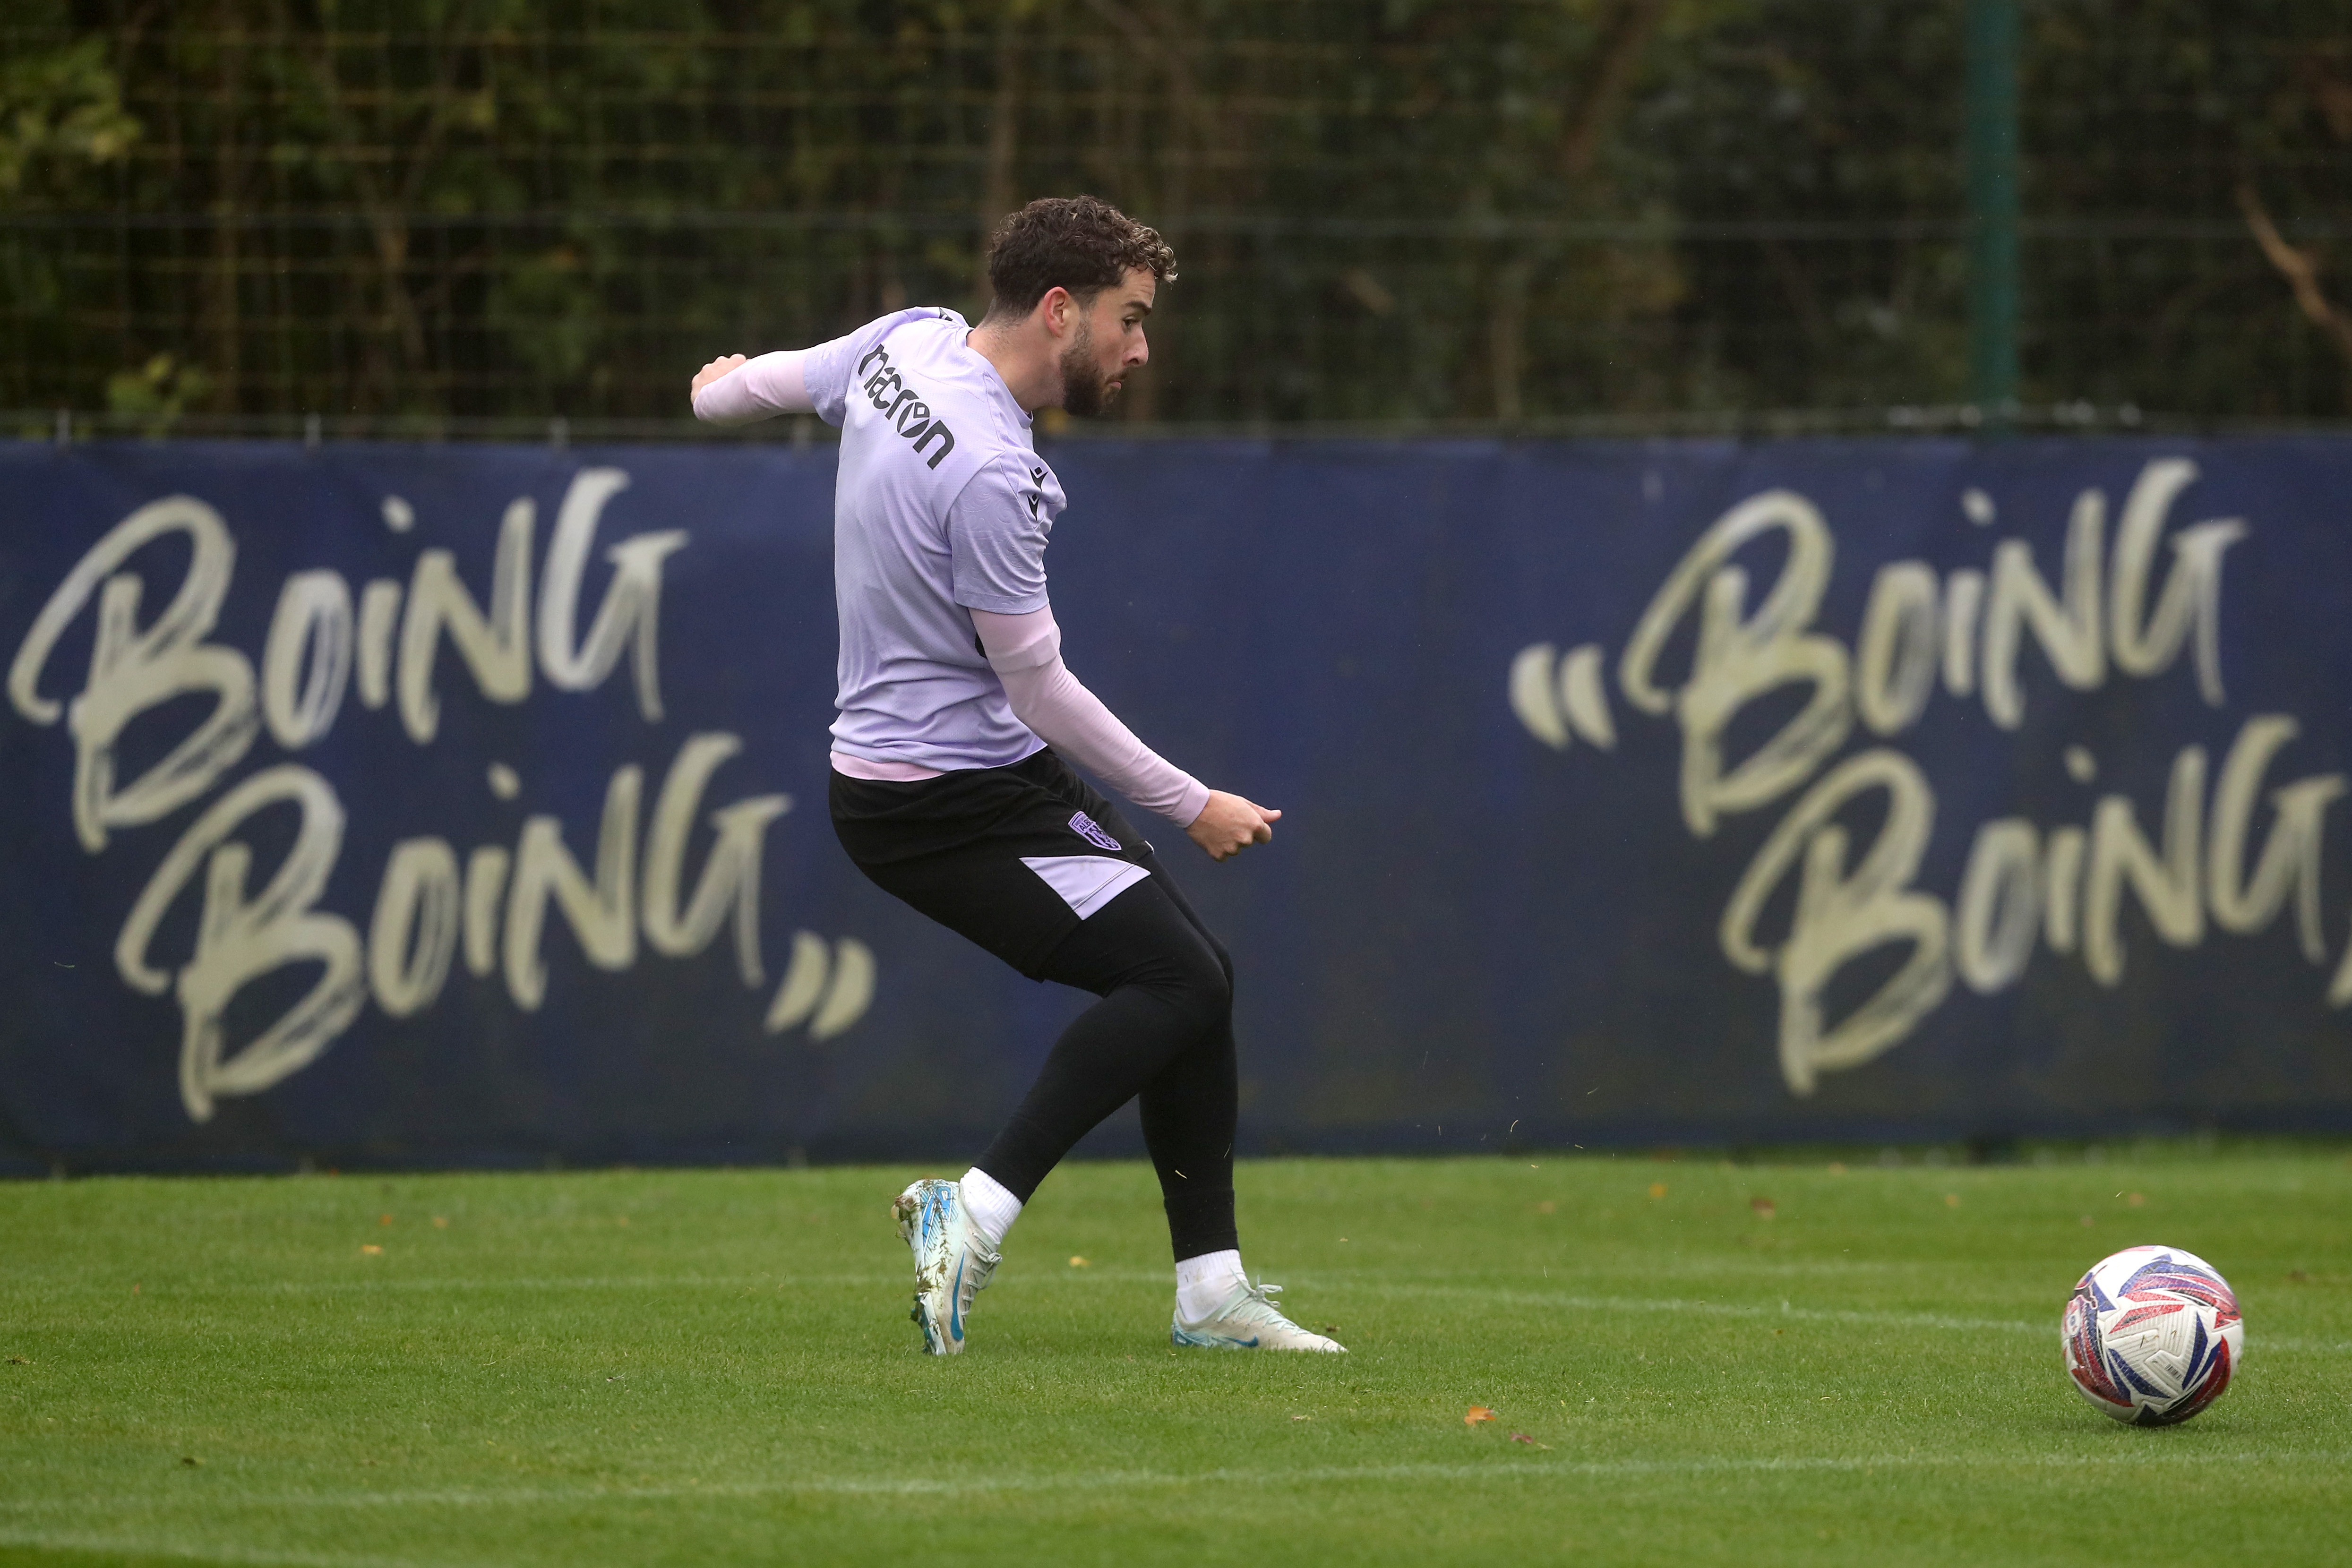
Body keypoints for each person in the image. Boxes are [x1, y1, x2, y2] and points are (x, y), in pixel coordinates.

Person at [690, 195, 1342, 1357]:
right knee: (1180, 982)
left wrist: (712, 388)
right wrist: (1192, 802)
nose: (1141, 350)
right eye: (1129, 321)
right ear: (1059, 310)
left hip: (944, 783)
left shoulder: (907, 340)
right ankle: (974, 1214)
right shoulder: (997, 470)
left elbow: (765, 384)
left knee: (1195, 978)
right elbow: (1038, 687)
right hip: (944, 802)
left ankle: (1209, 1290)